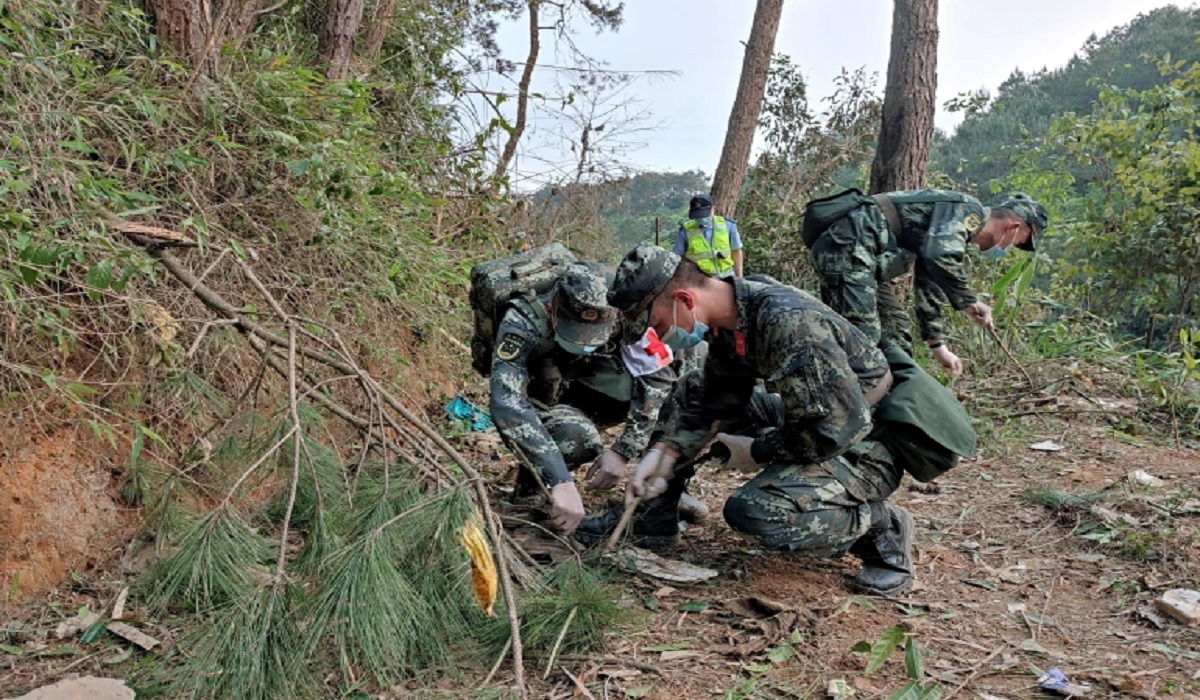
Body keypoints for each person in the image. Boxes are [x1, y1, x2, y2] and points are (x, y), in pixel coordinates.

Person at [576, 244, 974, 596]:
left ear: (684, 299)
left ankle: (881, 527)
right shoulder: (732, 316)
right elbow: (717, 397)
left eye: (658, 325)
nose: (658, 339)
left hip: (869, 438)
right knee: (689, 390)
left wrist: (756, 450)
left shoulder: (788, 323)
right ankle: (654, 518)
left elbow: (832, 431)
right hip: (817, 414)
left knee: (757, 511)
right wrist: (667, 451)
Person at [489, 261, 704, 536]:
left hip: (599, 391)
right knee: (575, 438)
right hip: (547, 400)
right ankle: (533, 485)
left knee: (688, 379)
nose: (587, 343)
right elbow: (508, 403)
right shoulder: (523, 321)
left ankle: (660, 498)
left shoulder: (629, 314)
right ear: (553, 309)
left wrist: (623, 452)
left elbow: (657, 382)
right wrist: (560, 480)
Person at [806, 191, 1049, 377]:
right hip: (847, 249)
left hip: (862, 259)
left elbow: (930, 281)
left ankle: (899, 400)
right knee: (863, 340)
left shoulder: (952, 231)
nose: (1010, 248)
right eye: (1018, 242)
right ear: (1013, 227)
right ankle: (847, 413)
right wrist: (969, 301)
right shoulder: (967, 210)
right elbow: (939, 256)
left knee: (896, 328)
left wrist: (938, 346)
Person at [672, 193, 744, 279]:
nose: (701, 218)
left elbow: (736, 252)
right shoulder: (685, 231)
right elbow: (678, 258)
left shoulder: (728, 226)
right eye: (697, 215)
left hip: (727, 277)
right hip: (699, 281)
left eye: (703, 214)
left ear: (713, 209)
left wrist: (740, 277)